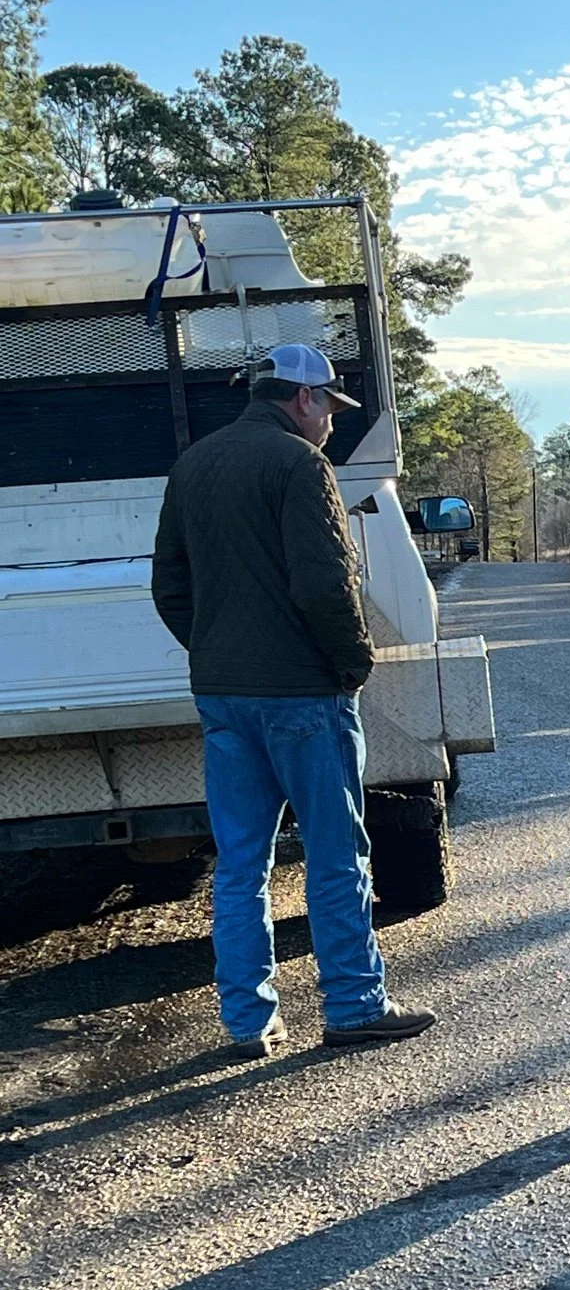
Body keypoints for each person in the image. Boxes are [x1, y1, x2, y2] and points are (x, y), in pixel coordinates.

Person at [151, 342, 435, 1058]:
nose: (332, 425)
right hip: (303, 693)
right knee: (337, 854)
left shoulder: (195, 464)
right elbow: (324, 585)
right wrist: (353, 662)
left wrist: (215, 650)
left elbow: (169, 586)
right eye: (331, 409)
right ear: (303, 399)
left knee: (240, 864)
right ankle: (354, 1005)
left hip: (224, 695)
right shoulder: (300, 465)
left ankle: (248, 1022)